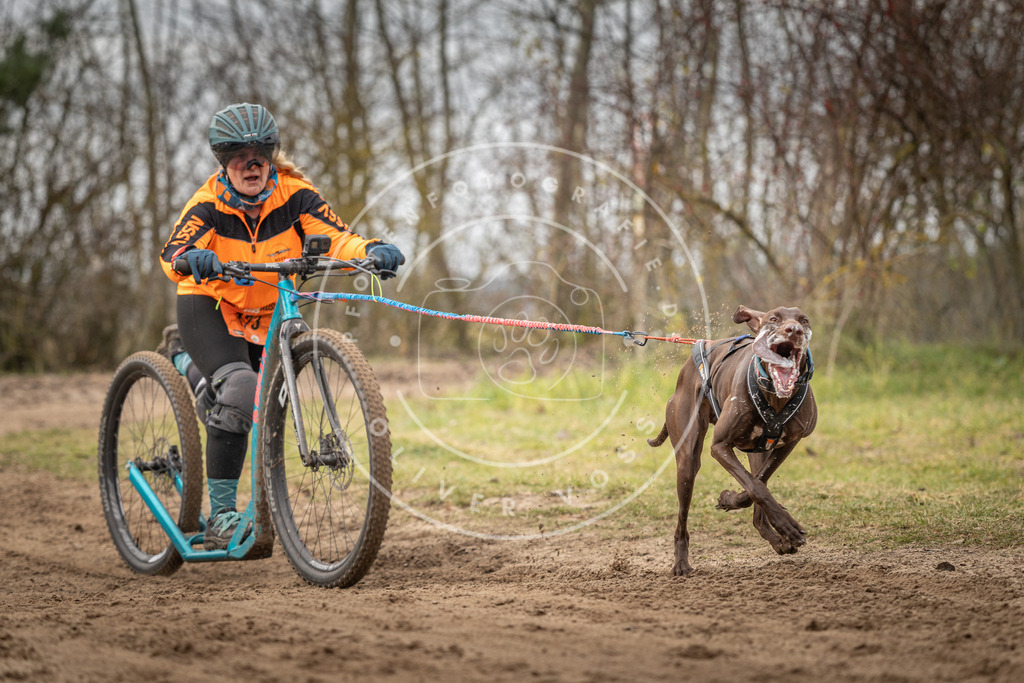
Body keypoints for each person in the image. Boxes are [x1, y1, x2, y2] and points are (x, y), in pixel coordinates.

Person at [158, 102, 404, 550]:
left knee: (246, 395)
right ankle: (222, 517)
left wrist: (371, 249)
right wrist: (192, 258)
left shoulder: (296, 194)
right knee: (240, 388)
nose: (250, 163)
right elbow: (172, 252)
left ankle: (196, 375)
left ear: (271, 155)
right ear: (223, 162)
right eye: (238, 154)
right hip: (212, 306)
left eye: (259, 153)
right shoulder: (207, 203)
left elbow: (337, 235)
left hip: (270, 309)